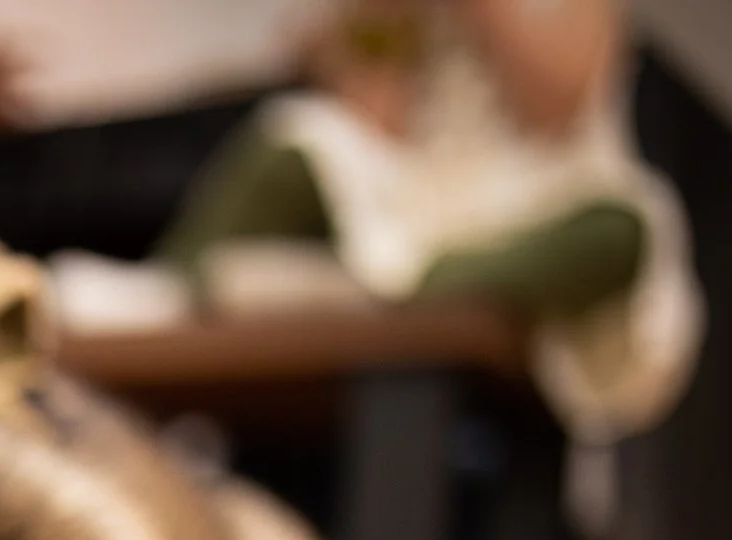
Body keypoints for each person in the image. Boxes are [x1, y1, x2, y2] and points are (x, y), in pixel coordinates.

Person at [152, 0, 700, 438]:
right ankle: (165, 292)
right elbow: (375, 122)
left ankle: (362, 289)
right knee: (294, 136)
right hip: (421, 202)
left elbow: (556, 111)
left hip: (543, 200)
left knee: (622, 231)